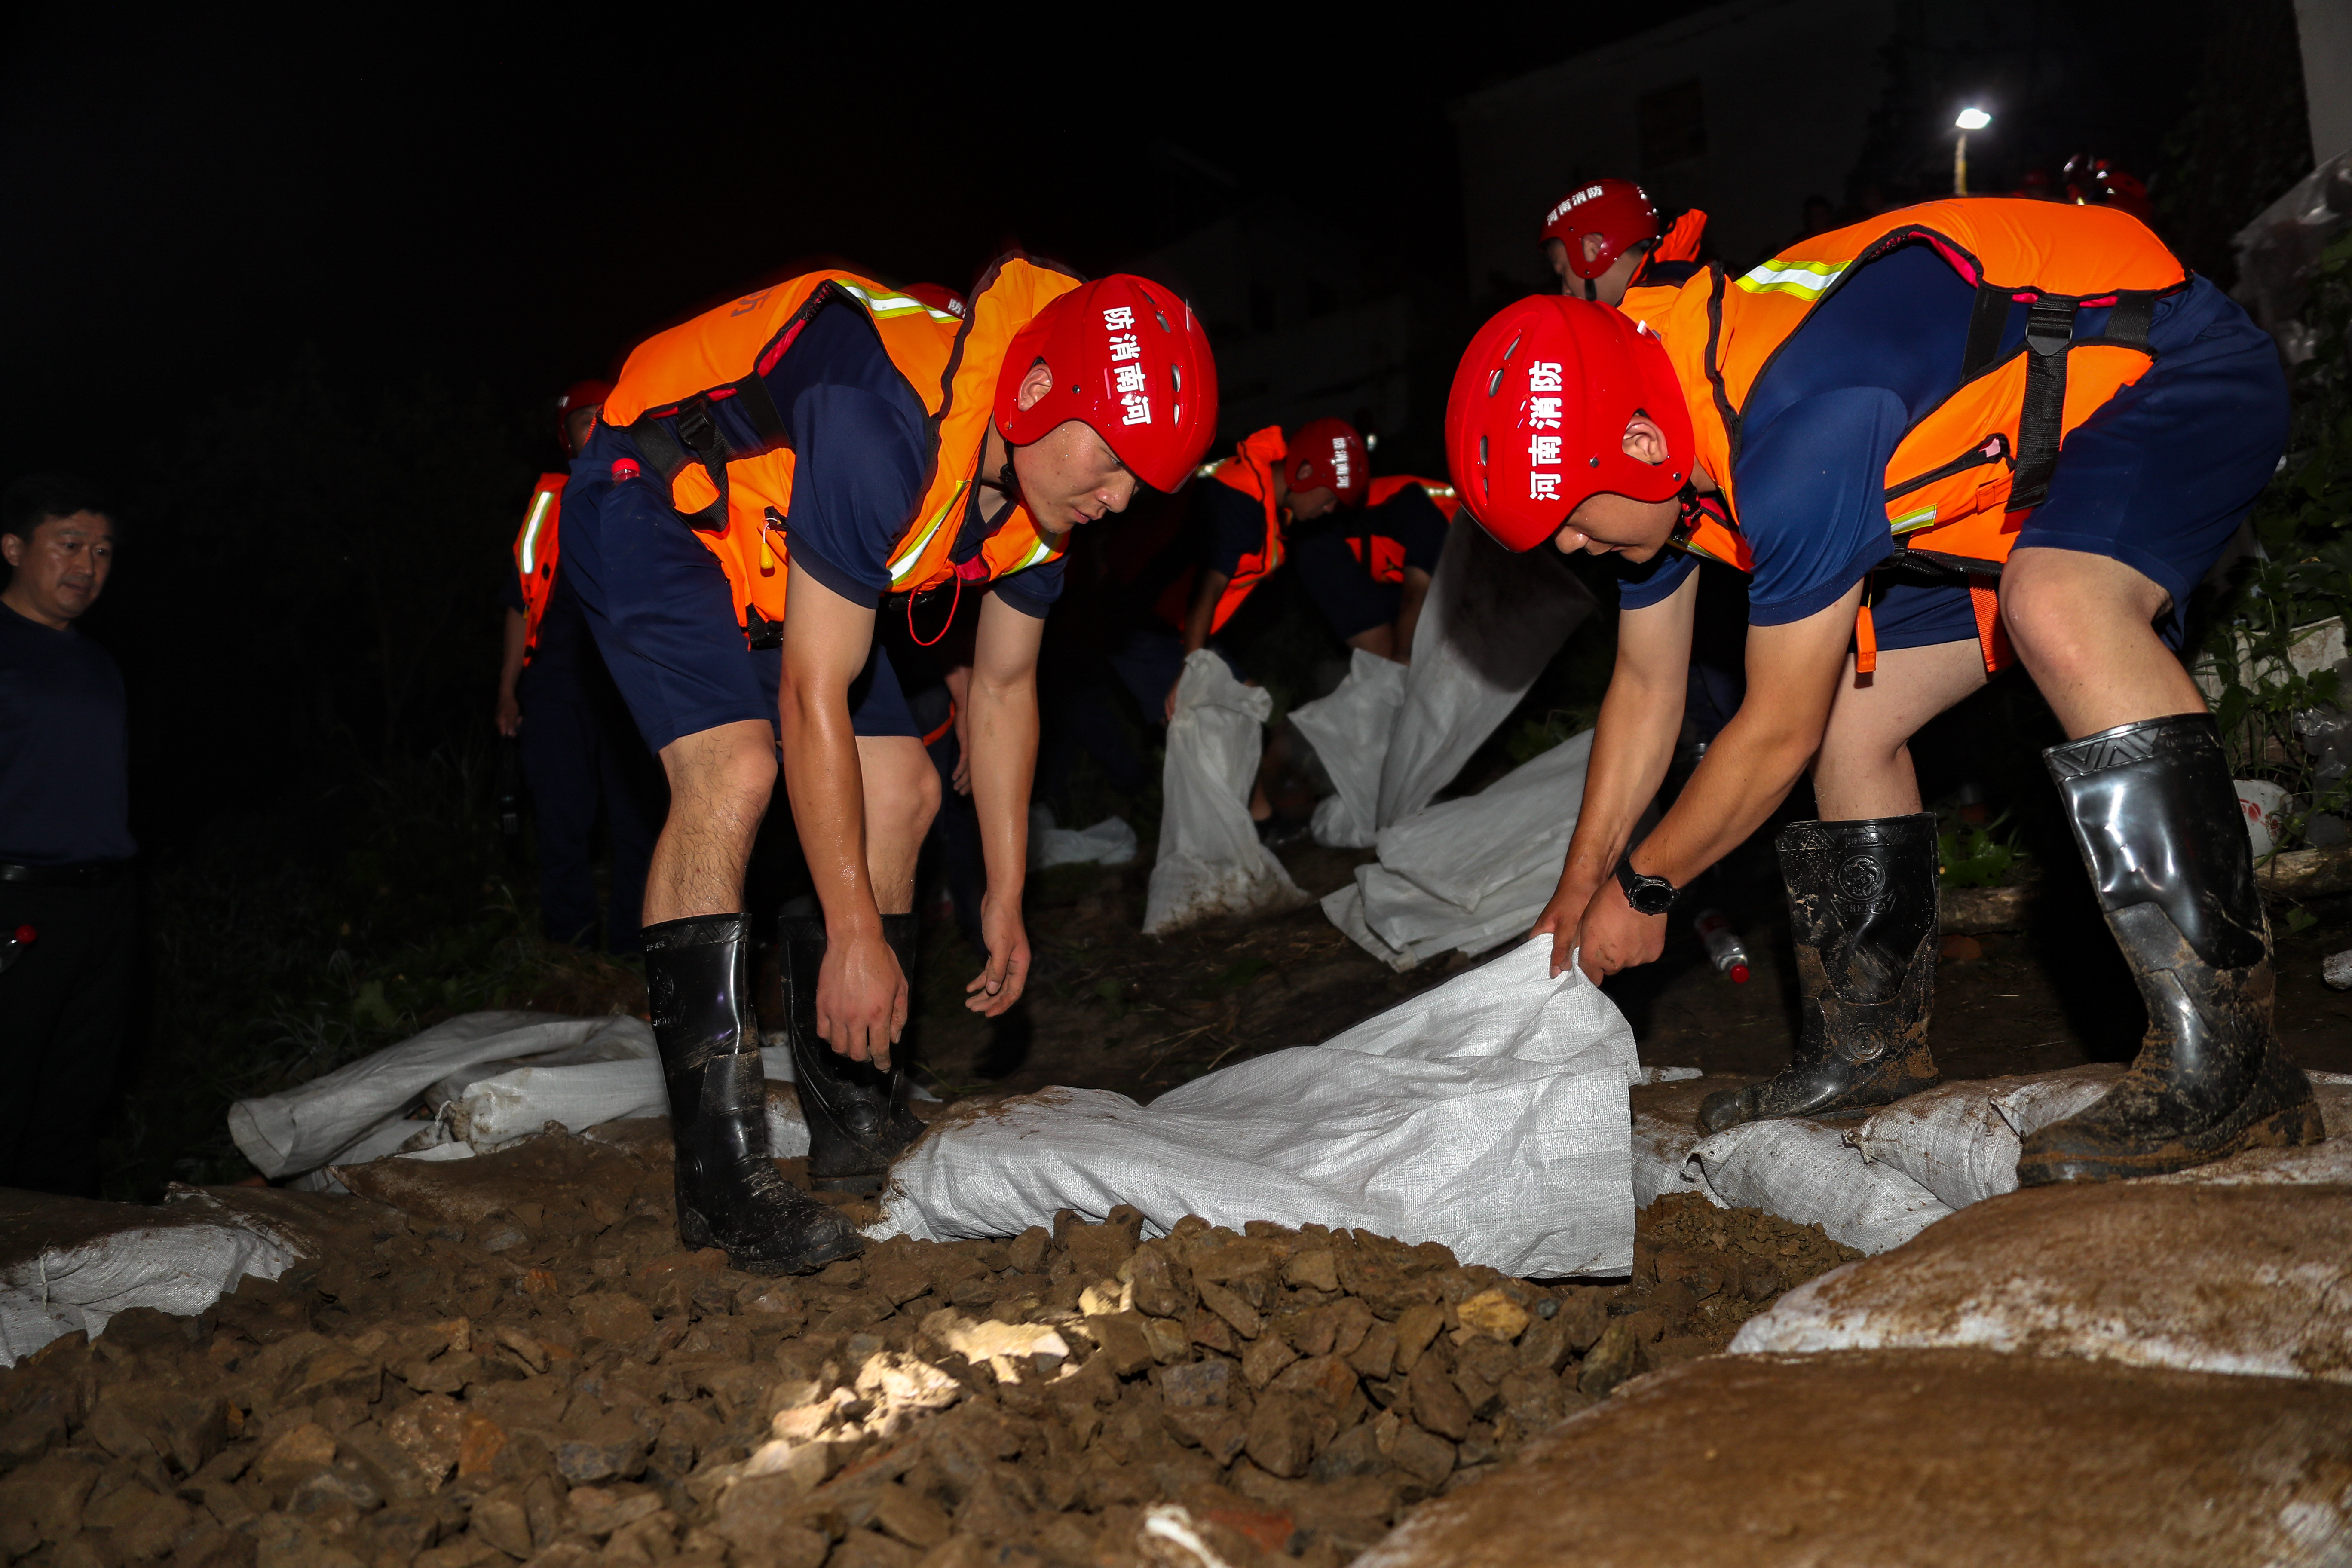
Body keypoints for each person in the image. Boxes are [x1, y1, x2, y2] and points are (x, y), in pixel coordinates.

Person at [1446, 197, 2315, 1183]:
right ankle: (1870, 1058)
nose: (1571, 547)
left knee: (2056, 602)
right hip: (2009, 465)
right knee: (1853, 724)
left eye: (1568, 521)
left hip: (2170, 369)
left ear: (1641, 448)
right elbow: (1645, 684)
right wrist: (1574, 892)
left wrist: (1645, 885)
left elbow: (1769, 733)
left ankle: (2236, 1069)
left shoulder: (1794, 430)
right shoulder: (1648, 408)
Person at [561, 260, 1216, 1271]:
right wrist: (854, 932)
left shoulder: (1039, 500)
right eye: (1115, 461)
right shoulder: (885, 415)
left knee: (906, 789)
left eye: (1145, 482)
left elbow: (1001, 691)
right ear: (1039, 391)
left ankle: (851, 1115)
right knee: (733, 770)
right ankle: (718, 1178)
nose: (1119, 498)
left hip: (782, 542)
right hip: (650, 494)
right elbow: (810, 696)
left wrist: (1004, 893)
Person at [496, 379, 667, 952]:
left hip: (630, 689)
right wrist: (507, 691)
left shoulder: (648, 491)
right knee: (564, 825)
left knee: (638, 825)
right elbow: (520, 598)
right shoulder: (550, 504)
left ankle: (628, 954)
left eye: (603, 414)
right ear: (565, 437)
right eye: (581, 418)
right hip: (555, 687)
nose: (593, 424)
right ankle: (572, 953)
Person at [0, 475, 133, 1197]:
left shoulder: (99, 663)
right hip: (17, 902)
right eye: (70, 543)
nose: (88, 565)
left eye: (104, 551)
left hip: (103, 902)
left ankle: (62, 1271)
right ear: (15, 547)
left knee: (76, 1095)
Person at [1109, 418, 1360, 724]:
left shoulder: (1263, 496)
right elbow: (1209, 587)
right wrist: (1194, 671)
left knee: (1251, 709)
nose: (1330, 510)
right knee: (1204, 730)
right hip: (1143, 628)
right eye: (1331, 497)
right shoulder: (1242, 500)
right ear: (1305, 473)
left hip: (1180, 629)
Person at [1288, 472, 1457, 662]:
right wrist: (1401, 662)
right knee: (1391, 661)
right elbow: (1417, 596)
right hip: (1327, 542)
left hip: (1393, 573)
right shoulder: (1441, 522)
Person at [1540, 177, 1708, 305]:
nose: (1565, 291)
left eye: (1563, 272)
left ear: (1592, 251)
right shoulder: (1677, 289)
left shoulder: (1664, 307)